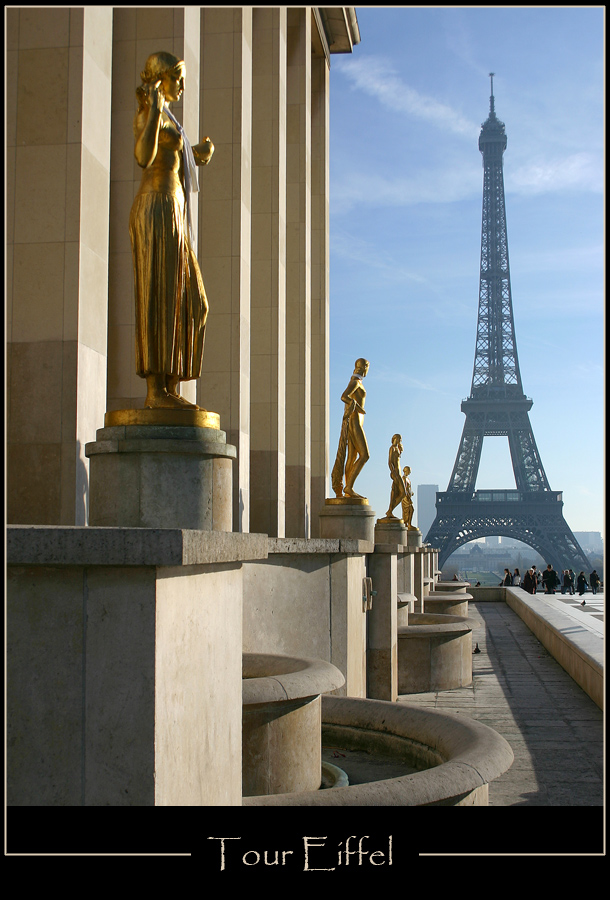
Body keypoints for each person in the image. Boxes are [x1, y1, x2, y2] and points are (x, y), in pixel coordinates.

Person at [130, 51, 214, 410]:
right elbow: (143, 156)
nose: (182, 84)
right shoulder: (150, 113)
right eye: (177, 77)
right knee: (159, 293)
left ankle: (172, 383)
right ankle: (156, 391)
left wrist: (196, 153)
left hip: (176, 214)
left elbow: (174, 157)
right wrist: (153, 107)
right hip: (156, 209)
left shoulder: (168, 119)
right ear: (160, 78)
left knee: (192, 301)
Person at [331, 359, 370, 499]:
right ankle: (349, 486)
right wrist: (357, 406)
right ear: (364, 367)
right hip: (355, 421)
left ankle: (349, 489)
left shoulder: (357, 381)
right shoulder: (355, 382)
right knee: (365, 455)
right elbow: (344, 396)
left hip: (357, 420)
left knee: (352, 457)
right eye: (367, 367)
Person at [381, 434, 407, 520]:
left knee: (398, 492)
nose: (400, 440)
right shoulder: (392, 448)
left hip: (398, 473)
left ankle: (390, 510)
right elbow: (390, 462)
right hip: (396, 473)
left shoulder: (397, 449)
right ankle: (390, 510)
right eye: (399, 438)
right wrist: (393, 473)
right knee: (401, 492)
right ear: (395, 438)